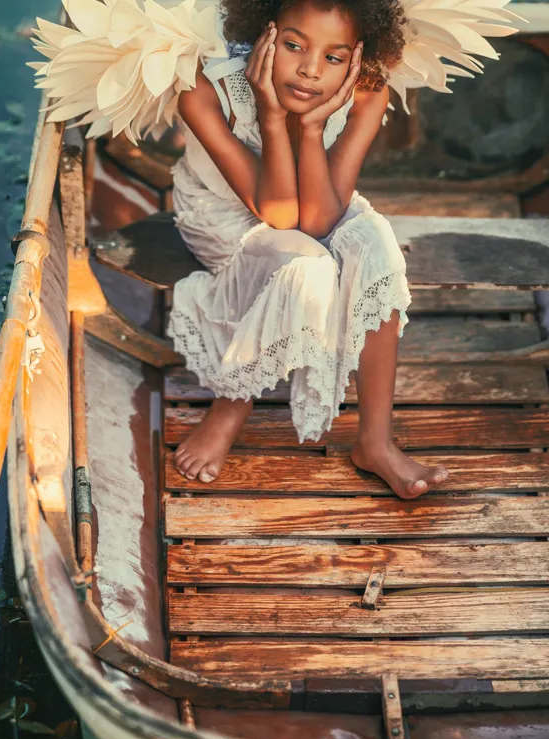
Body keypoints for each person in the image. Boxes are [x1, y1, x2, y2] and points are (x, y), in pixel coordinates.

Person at [165, 0, 449, 499]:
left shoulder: (367, 92)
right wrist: (272, 118)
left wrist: (313, 128)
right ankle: (233, 399)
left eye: (334, 57)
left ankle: (375, 441)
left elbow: (319, 219)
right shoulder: (205, 86)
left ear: (360, 58)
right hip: (223, 215)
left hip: (316, 198)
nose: (310, 70)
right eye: (293, 46)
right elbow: (277, 216)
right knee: (310, 263)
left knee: (373, 239)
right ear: (263, 34)